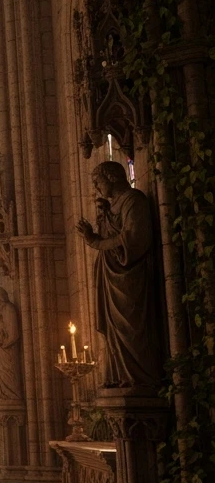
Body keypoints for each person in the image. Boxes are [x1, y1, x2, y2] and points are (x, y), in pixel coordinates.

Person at [75, 161, 164, 388]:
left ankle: (140, 378)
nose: (96, 187)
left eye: (98, 181)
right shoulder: (112, 207)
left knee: (131, 328)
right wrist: (97, 227)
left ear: (112, 177)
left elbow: (133, 239)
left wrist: (96, 241)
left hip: (128, 278)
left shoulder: (134, 200)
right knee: (115, 330)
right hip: (111, 277)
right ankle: (121, 376)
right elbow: (112, 237)